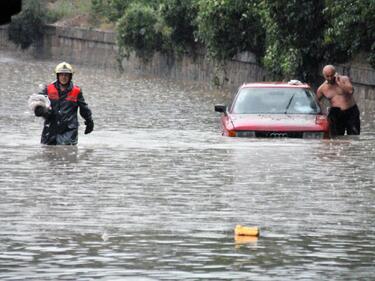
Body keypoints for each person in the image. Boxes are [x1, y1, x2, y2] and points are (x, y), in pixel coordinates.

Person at [31, 62, 94, 145]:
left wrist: (89, 121)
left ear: (70, 76)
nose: (63, 77)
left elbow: (84, 109)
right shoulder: (48, 89)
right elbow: (37, 101)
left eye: (66, 75)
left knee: (67, 152)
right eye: (61, 75)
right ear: (57, 76)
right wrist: (39, 109)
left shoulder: (76, 91)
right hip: (50, 129)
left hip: (69, 131)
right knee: (47, 152)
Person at [317, 64, 360, 136]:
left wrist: (339, 83)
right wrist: (322, 114)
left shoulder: (344, 79)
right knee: (336, 137)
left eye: (331, 75)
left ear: (335, 73)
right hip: (336, 114)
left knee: (354, 136)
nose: (330, 78)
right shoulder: (322, 89)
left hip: (351, 111)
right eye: (327, 76)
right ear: (324, 76)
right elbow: (316, 102)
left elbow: (350, 91)